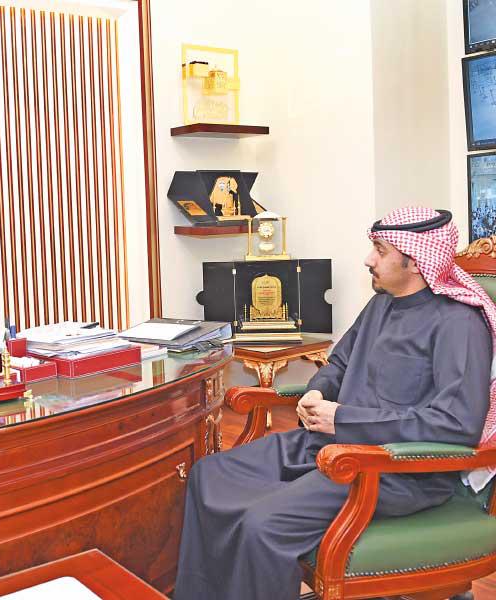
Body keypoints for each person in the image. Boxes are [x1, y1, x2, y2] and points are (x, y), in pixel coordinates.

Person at [174, 207, 496, 600]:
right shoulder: (381, 304)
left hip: (394, 470)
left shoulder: (459, 324)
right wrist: (317, 392)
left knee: (263, 524)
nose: (368, 259)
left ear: (415, 261)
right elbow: (339, 364)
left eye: (380, 250)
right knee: (209, 475)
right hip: (328, 446)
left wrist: (343, 419)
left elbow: (455, 425)